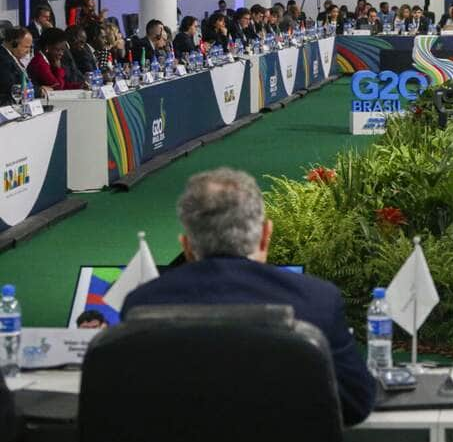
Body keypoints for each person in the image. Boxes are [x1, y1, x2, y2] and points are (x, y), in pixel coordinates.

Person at [121, 168, 376, 425]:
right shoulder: (317, 301)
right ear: (266, 236)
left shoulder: (140, 305)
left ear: (186, 247)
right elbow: (356, 403)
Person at [27, 27, 83, 92]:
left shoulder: (48, 60)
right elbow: (57, 87)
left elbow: (63, 85)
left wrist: (80, 86)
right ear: (47, 47)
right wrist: (58, 69)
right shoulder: (39, 63)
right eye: (58, 50)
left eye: (63, 50)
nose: (61, 54)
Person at [0, 27, 32, 105]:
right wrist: (38, 91)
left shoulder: (12, 57)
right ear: (14, 44)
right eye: (26, 47)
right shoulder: (3, 60)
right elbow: (14, 87)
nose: (28, 51)